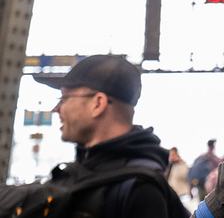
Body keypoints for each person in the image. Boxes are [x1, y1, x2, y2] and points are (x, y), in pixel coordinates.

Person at [30, 55, 188, 216]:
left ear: (98, 103)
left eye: (64, 98)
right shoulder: (83, 173)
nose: (56, 109)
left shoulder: (140, 190)